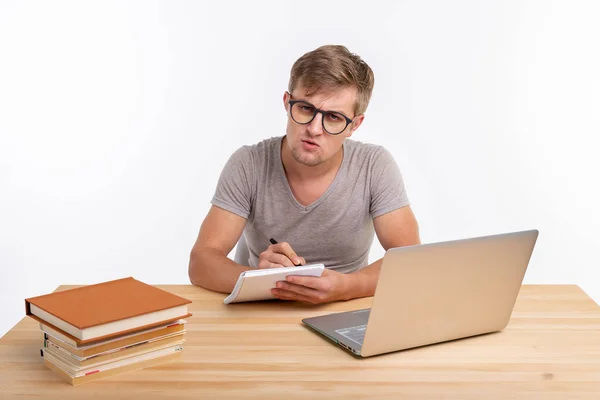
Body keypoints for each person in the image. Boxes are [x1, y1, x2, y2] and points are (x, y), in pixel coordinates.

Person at [188, 44, 420, 304]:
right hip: (264, 309)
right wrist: (259, 279)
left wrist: (347, 286)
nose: (314, 129)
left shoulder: (374, 165)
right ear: (288, 103)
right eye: (306, 109)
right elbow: (201, 261)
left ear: (354, 125)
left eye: (333, 117)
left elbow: (410, 259)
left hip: (345, 309)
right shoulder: (249, 163)